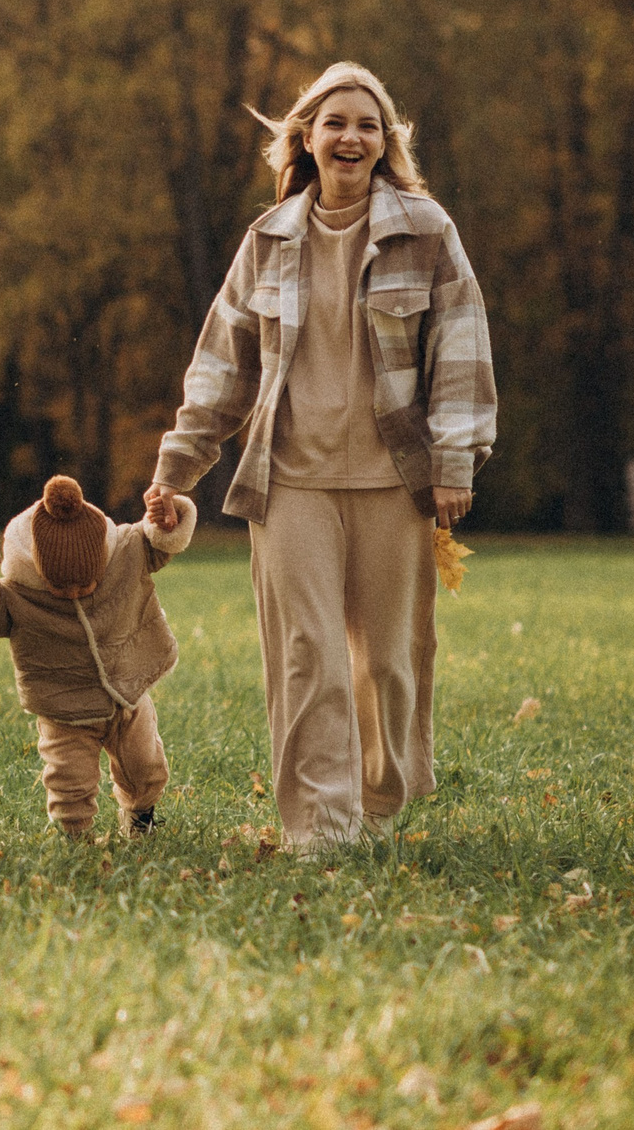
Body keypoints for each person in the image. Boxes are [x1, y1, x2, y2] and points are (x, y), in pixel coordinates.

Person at [144, 63, 496, 853]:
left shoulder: (426, 229)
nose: (351, 136)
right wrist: (177, 467)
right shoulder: (267, 240)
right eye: (335, 121)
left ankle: (375, 805)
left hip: (392, 479)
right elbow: (222, 365)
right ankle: (319, 827)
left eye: (368, 124)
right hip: (290, 478)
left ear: (385, 142)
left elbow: (462, 347)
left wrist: (454, 461)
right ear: (305, 136)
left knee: (388, 663)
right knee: (308, 654)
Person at [0, 475, 195, 839]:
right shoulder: (18, 594)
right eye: (60, 587)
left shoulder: (123, 553)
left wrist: (167, 516)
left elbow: (157, 543)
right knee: (69, 779)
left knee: (144, 764)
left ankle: (141, 818)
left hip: (127, 691)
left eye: (87, 582)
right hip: (62, 706)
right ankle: (75, 836)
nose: (76, 593)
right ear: (37, 572)